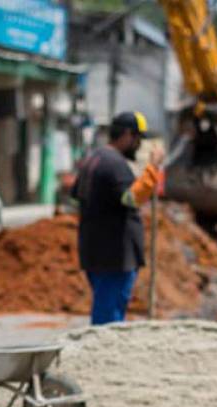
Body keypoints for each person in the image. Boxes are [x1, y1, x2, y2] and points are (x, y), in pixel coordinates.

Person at [72, 111, 165, 325]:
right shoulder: (114, 164)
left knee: (106, 310)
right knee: (108, 321)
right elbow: (132, 198)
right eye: (137, 139)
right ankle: (99, 357)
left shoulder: (93, 159)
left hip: (96, 252)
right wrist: (153, 169)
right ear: (126, 135)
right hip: (114, 256)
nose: (139, 145)